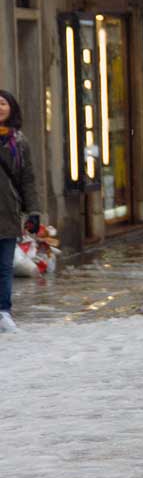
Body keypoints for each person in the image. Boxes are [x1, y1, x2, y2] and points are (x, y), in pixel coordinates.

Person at [0, 90, 40, 333]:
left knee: (4, 267)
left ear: (11, 108)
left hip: (7, 212)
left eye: (3, 103)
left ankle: (4, 312)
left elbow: (28, 179)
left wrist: (33, 211)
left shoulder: (19, 142)